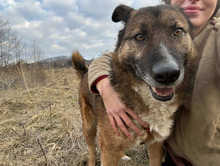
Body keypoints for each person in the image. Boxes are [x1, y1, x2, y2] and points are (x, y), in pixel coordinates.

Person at [88, 0, 220, 165]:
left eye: (177, 32)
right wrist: (103, 84)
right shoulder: (175, 21)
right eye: (140, 37)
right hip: (170, 157)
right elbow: (108, 58)